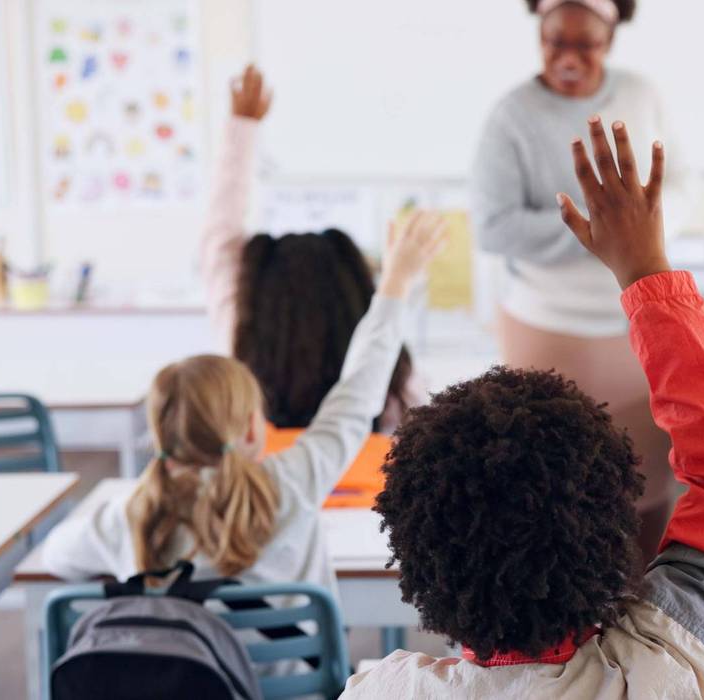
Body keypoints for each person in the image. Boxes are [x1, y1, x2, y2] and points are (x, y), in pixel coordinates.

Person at [342, 119, 704, 698]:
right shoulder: (672, 663)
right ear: (617, 530)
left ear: (416, 565)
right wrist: (646, 273)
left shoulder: (382, 691)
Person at [43, 213, 447, 592]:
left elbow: (56, 557)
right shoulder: (295, 479)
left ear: (160, 432)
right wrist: (397, 278)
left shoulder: (133, 515)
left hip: (185, 669)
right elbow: (362, 384)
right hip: (294, 670)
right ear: (254, 427)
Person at [471, 0, 690, 558]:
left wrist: (637, 230)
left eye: (584, 45)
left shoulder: (642, 95)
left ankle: (644, 623)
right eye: (554, 43)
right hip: (545, 330)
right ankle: (557, 638)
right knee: (547, 501)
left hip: (634, 328)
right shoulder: (510, 115)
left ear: (611, 40)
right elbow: (494, 228)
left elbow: (683, 190)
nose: (567, 58)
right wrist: (597, 232)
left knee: (644, 492)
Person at [202, 65, 425, 505]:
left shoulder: (241, 340)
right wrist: (398, 279)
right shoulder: (388, 380)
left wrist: (241, 128)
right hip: (375, 538)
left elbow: (219, 236)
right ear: (360, 301)